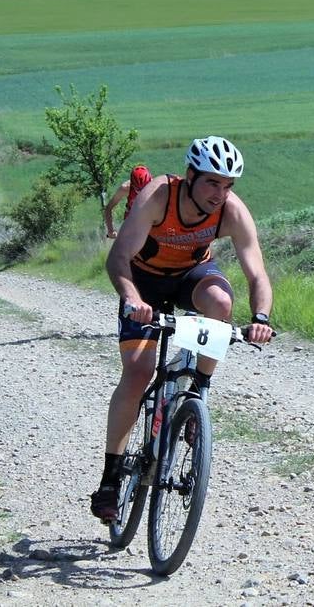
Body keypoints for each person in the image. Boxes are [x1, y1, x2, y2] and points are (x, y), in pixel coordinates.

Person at [90, 136, 274, 522]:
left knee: (221, 304)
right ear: (189, 175)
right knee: (138, 372)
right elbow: (119, 257)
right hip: (144, 283)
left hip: (190, 277)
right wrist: (131, 298)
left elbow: (256, 270)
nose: (219, 194)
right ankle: (110, 479)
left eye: (227, 186)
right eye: (211, 182)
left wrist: (260, 318)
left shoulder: (230, 211)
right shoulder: (159, 195)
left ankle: (196, 395)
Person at [104, 165, 152, 239]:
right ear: (132, 184)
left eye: (144, 189)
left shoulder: (156, 188)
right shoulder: (125, 188)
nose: (140, 193)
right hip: (131, 218)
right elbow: (108, 208)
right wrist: (110, 230)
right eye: (137, 190)